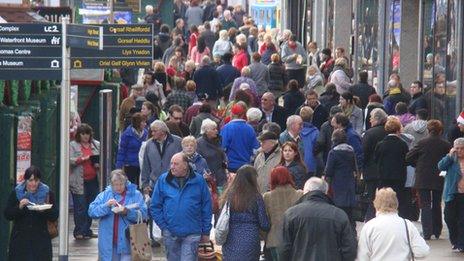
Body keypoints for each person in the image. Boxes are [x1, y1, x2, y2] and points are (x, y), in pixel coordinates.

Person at [151, 152, 212, 260]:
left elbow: (206, 207)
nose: (172, 167)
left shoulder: (199, 181)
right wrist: (164, 226)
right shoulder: (163, 180)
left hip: (192, 232)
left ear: (185, 165)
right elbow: (155, 206)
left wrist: (206, 231)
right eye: (171, 164)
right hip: (170, 232)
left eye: (176, 164)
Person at [281, 177, 357, 261]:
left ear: (306, 191)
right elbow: (350, 249)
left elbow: (284, 249)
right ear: (325, 192)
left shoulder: (291, 214)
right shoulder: (339, 215)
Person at [406, 120, 451, 240]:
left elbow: (408, 157)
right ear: (441, 131)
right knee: (437, 203)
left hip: (423, 176)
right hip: (439, 176)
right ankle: (437, 230)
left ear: (428, 130)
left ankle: (426, 232)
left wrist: (418, 164)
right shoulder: (446, 144)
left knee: (424, 204)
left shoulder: (422, 142)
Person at [88, 170, 147, 261]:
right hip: (109, 243)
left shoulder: (135, 194)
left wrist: (127, 212)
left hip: (129, 242)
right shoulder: (105, 195)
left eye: (121, 184)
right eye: (115, 185)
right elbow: (91, 211)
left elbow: (144, 214)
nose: (118, 187)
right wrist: (106, 206)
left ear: (126, 183)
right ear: (111, 184)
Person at [357, 188, 430, 260]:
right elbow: (423, 251)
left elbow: (362, 256)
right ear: (396, 204)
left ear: (376, 204)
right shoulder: (407, 225)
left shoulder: (369, 226)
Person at [4, 166, 59, 260]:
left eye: (36, 180)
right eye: (30, 180)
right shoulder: (17, 193)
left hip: (41, 240)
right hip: (20, 241)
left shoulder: (47, 193)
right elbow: (8, 214)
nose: (33, 184)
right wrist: (19, 207)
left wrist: (45, 210)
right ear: (25, 180)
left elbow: (54, 215)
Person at [220, 165, 270, 260]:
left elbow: (222, 216)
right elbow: (264, 224)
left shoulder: (229, 195)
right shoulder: (256, 197)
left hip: (230, 239)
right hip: (250, 240)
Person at [263, 166, 303, 260]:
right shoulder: (299, 194)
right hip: (295, 240)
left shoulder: (267, 197)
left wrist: (265, 237)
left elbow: (264, 221)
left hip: (274, 240)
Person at [374, 116, 409, 218]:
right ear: (398, 130)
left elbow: (375, 159)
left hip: (383, 176)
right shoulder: (403, 144)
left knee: (383, 199)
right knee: (398, 199)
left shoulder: (380, 144)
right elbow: (406, 160)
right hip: (399, 176)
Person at [69, 123, 100, 239]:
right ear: (79, 135)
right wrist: (83, 159)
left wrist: (97, 163)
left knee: (90, 206)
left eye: (87, 133)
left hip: (93, 180)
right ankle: (79, 231)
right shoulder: (73, 145)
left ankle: (87, 230)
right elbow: (70, 160)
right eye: (83, 134)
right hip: (78, 181)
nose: (85, 136)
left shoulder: (96, 145)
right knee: (80, 206)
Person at [325, 129, 357, 228]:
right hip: (349, 183)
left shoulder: (333, 153)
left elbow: (329, 171)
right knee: (349, 213)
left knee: (338, 211)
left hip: (337, 184)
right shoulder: (351, 151)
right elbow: (354, 168)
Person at [141, 120, 182, 195]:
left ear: (163, 131)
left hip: (174, 184)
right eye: (152, 131)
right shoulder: (149, 144)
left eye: (155, 131)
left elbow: (184, 163)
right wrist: (145, 185)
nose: (152, 133)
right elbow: (145, 166)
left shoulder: (178, 142)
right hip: (154, 186)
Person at [362, 108, 388, 221]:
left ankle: (370, 219)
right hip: (385, 170)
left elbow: (364, 152)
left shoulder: (369, 133)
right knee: (385, 196)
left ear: (377, 119)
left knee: (371, 197)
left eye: (371, 118)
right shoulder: (388, 132)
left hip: (371, 170)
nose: (370, 120)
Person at [438, 137, 464, 251]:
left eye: (462, 149)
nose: (459, 151)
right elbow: (440, 166)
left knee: (462, 220)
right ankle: (454, 240)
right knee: (449, 218)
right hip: (452, 193)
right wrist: (449, 155)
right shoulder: (451, 160)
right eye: (457, 148)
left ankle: (461, 243)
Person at [221, 102, 259, 172]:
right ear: (242, 115)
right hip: (246, 166)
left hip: (231, 167)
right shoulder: (250, 128)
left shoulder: (227, 128)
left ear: (231, 114)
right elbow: (255, 149)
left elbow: (222, 148)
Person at [116, 113, 148, 186]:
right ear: (138, 123)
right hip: (130, 165)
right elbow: (122, 151)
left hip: (142, 164)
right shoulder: (127, 134)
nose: (145, 124)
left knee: (141, 185)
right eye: (143, 122)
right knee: (131, 185)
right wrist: (119, 167)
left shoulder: (146, 133)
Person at [197, 119, 228, 190]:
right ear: (206, 131)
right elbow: (198, 161)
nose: (216, 131)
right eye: (213, 129)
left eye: (216, 129)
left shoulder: (218, 140)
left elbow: (222, 153)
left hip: (221, 177)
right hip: (208, 179)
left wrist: (225, 160)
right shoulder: (199, 143)